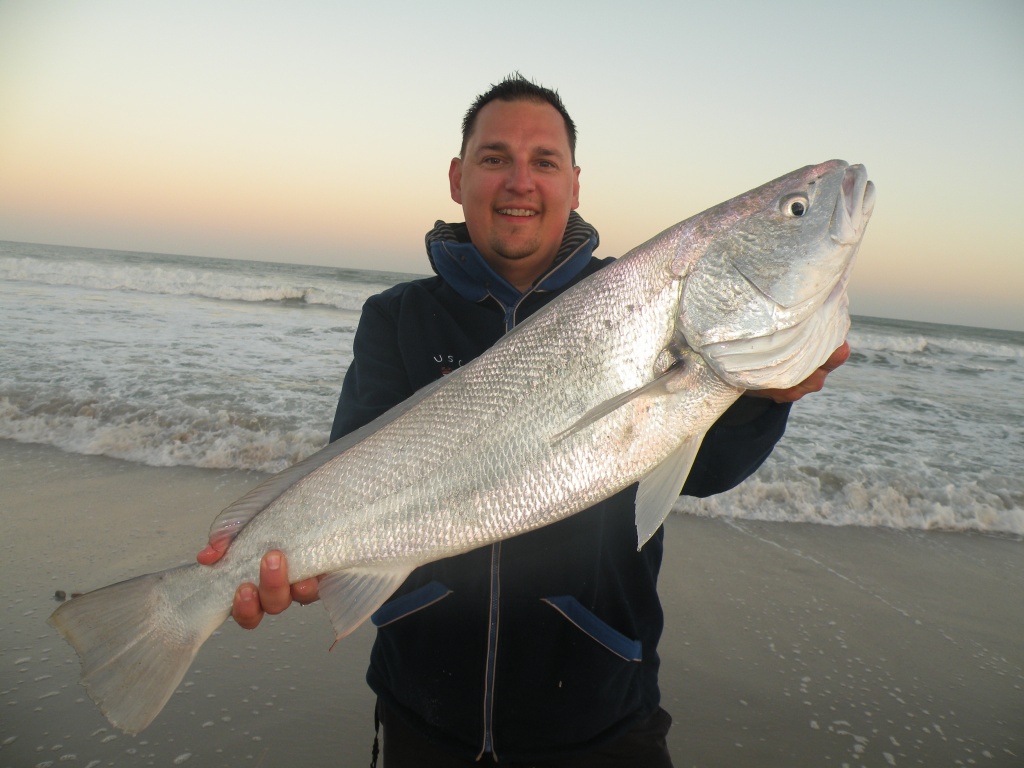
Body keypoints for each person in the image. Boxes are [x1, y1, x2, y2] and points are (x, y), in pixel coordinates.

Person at [197, 75, 850, 766]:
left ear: (573, 184)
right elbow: (351, 473)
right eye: (494, 158)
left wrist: (761, 397)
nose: (519, 182)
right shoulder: (396, 318)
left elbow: (705, 470)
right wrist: (287, 554)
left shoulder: (638, 300)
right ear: (458, 177)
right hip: (422, 710)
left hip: (602, 715)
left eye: (543, 162)